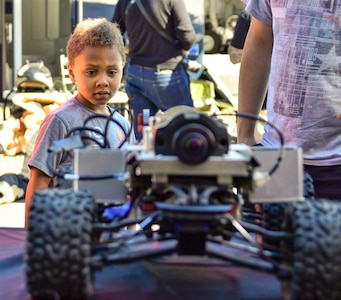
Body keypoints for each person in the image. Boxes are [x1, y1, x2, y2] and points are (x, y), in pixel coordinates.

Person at [25, 18, 135, 225]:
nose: (103, 81)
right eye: (91, 72)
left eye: (112, 72)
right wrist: (30, 239)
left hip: (112, 233)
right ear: (71, 71)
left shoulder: (123, 125)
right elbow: (39, 181)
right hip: (68, 231)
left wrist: (131, 232)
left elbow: (128, 187)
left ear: (122, 68)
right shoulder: (60, 120)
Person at [237, 1, 341, 199]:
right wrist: (244, 136)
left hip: (336, 161)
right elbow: (260, 39)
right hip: (274, 156)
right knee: (263, 229)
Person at [112, 0, 196, 141]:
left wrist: (127, 48)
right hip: (166, 73)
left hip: (135, 72)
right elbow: (187, 36)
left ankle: (142, 162)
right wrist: (182, 49)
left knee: (143, 133)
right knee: (185, 129)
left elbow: (114, 33)